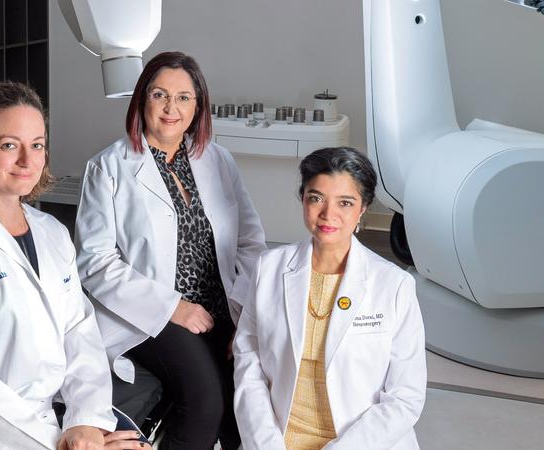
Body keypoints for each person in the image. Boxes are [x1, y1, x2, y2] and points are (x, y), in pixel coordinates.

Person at [0, 81, 144, 450]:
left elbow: (78, 330)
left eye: (36, 145)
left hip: (52, 418)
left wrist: (85, 422)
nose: (27, 160)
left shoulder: (52, 233)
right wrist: (58, 444)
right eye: (8, 145)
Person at [75, 51, 267, 450]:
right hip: (151, 314)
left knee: (249, 396)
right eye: (160, 95)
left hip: (221, 306)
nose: (171, 108)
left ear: (198, 107)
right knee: (205, 401)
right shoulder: (109, 168)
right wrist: (173, 307)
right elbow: (94, 262)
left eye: (183, 98)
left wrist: (244, 313)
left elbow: (251, 241)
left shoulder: (218, 161)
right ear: (142, 99)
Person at [233, 147, 427, 450]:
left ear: (363, 208)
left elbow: (405, 397)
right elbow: (249, 363)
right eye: (316, 198)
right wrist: (266, 444)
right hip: (277, 441)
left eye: (345, 202)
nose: (328, 214)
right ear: (303, 198)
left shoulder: (394, 285)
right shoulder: (268, 268)